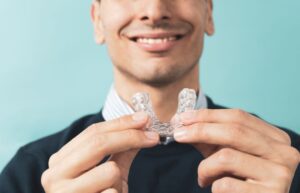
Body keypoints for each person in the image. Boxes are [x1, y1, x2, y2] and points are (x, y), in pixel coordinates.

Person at [1, 0, 299, 192]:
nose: (155, 10)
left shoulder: (283, 161)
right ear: (97, 20)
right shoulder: (32, 173)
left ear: (208, 13)